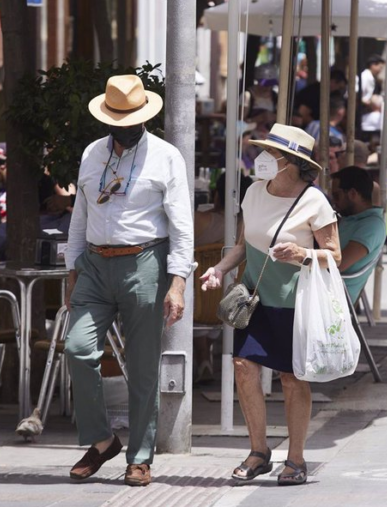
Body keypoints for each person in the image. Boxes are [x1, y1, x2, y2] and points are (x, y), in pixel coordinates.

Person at [64, 75, 194, 487]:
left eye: (133, 120)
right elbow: (79, 215)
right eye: (118, 120)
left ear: (145, 117)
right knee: (77, 349)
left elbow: (182, 226)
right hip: (95, 265)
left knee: (142, 368)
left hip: (145, 262)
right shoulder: (91, 153)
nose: (125, 127)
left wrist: (178, 283)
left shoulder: (166, 156)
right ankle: (103, 440)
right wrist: (73, 270)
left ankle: (140, 456)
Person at [200, 124, 341, 486]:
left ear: (290, 162)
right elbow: (244, 245)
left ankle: (296, 459)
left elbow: (334, 255)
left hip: (296, 302)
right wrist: (218, 269)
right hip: (257, 297)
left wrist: (303, 253)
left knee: (292, 378)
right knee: (243, 365)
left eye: (271, 153)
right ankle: (259, 451)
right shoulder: (253, 193)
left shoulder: (315, 201)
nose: (262, 158)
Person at [193, 172, 252, 383]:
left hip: (197, 298)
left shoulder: (201, 220)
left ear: (217, 194)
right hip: (233, 303)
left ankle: (201, 357)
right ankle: (206, 355)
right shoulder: (249, 227)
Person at [330, 167, 386, 301]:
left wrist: (304, 256)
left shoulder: (372, 225)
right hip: (324, 286)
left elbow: (339, 264)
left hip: (334, 296)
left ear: (353, 194)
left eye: (336, 195)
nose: (334, 201)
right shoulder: (349, 218)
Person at [360, 55, 386, 137]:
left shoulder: (371, 77)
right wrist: (366, 102)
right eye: (380, 67)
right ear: (373, 65)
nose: (380, 70)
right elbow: (359, 93)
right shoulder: (365, 76)